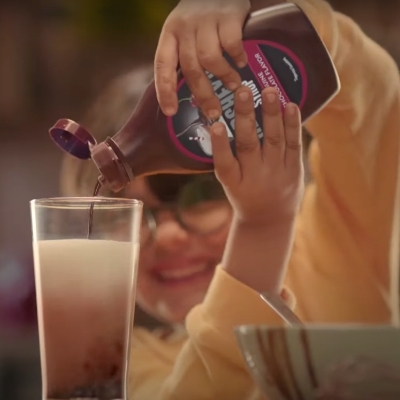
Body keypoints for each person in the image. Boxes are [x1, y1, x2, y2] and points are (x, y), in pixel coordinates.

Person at [60, 0, 400, 398]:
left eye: (199, 195)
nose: (167, 237)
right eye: (128, 215)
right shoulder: (122, 368)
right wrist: (260, 228)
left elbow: (371, 103)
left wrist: (262, 15)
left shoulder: (338, 247)